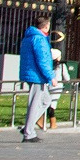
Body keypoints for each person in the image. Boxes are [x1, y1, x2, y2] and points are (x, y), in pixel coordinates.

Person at [19, 13, 57, 143]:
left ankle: (27, 127)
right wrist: (51, 76)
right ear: (46, 27)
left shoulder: (28, 38)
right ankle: (28, 133)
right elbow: (43, 60)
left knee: (46, 101)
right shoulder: (39, 40)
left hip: (32, 73)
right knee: (35, 104)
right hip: (37, 76)